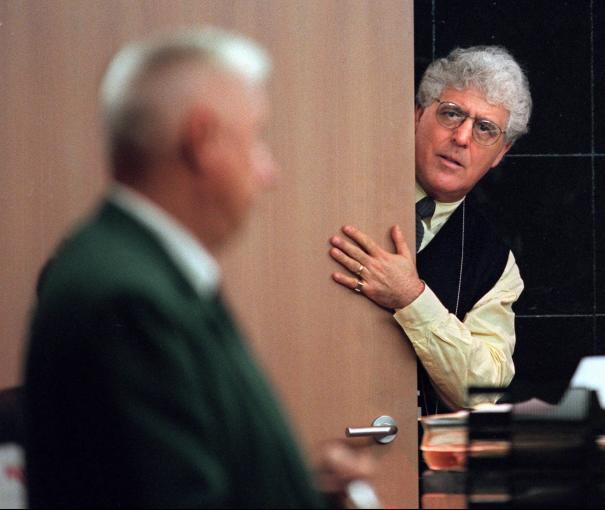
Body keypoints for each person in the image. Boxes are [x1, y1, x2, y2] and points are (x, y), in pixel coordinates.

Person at [23, 28, 369, 507]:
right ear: (202, 141)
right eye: (257, 139)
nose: (269, 173)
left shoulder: (147, 270)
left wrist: (301, 490)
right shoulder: (127, 297)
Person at [328, 46, 532, 414]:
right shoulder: (337, 195)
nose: (462, 138)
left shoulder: (496, 263)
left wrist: (411, 297)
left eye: (485, 128)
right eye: (452, 114)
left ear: (501, 152)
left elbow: (481, 393)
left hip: (412, 462)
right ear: (417, 115)